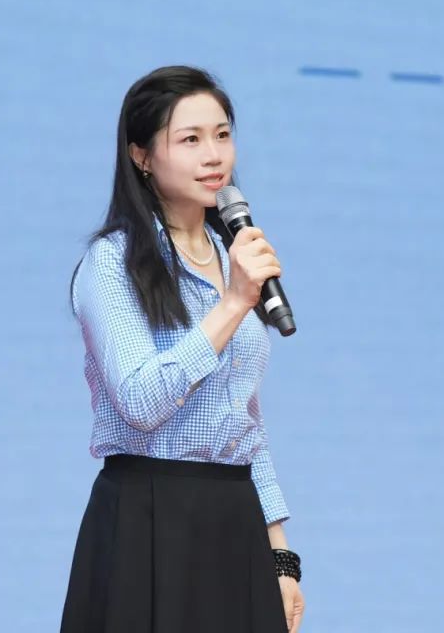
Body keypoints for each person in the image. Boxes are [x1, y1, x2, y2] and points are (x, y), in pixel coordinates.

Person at [61, 65, 306, 633]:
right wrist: (233, 304)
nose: (214, 155)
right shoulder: (113, 263)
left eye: (222, 135)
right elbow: (140, 402)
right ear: (141, 156)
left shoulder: (232, 256)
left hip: (235, 522)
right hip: (148, 519)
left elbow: (245, 422)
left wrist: (281, 556)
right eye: (190, 139)